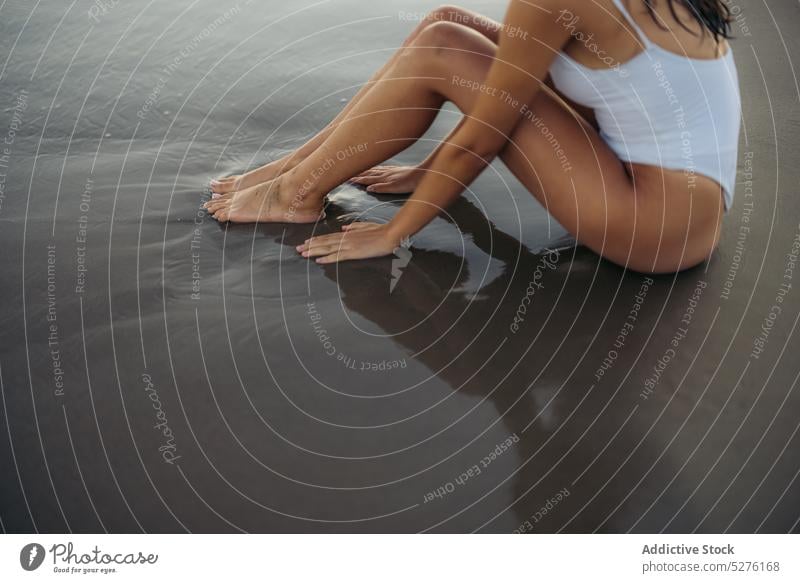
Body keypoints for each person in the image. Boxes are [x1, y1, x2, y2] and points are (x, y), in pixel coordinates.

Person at [204, 0, 740, 274]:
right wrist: (420, 173)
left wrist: (394, 235)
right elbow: (604, 89)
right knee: (449, 20)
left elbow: (485, 135)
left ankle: (295, 195)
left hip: (651, 226)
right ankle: (292, 171)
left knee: (442, 44)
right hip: (688, 213)